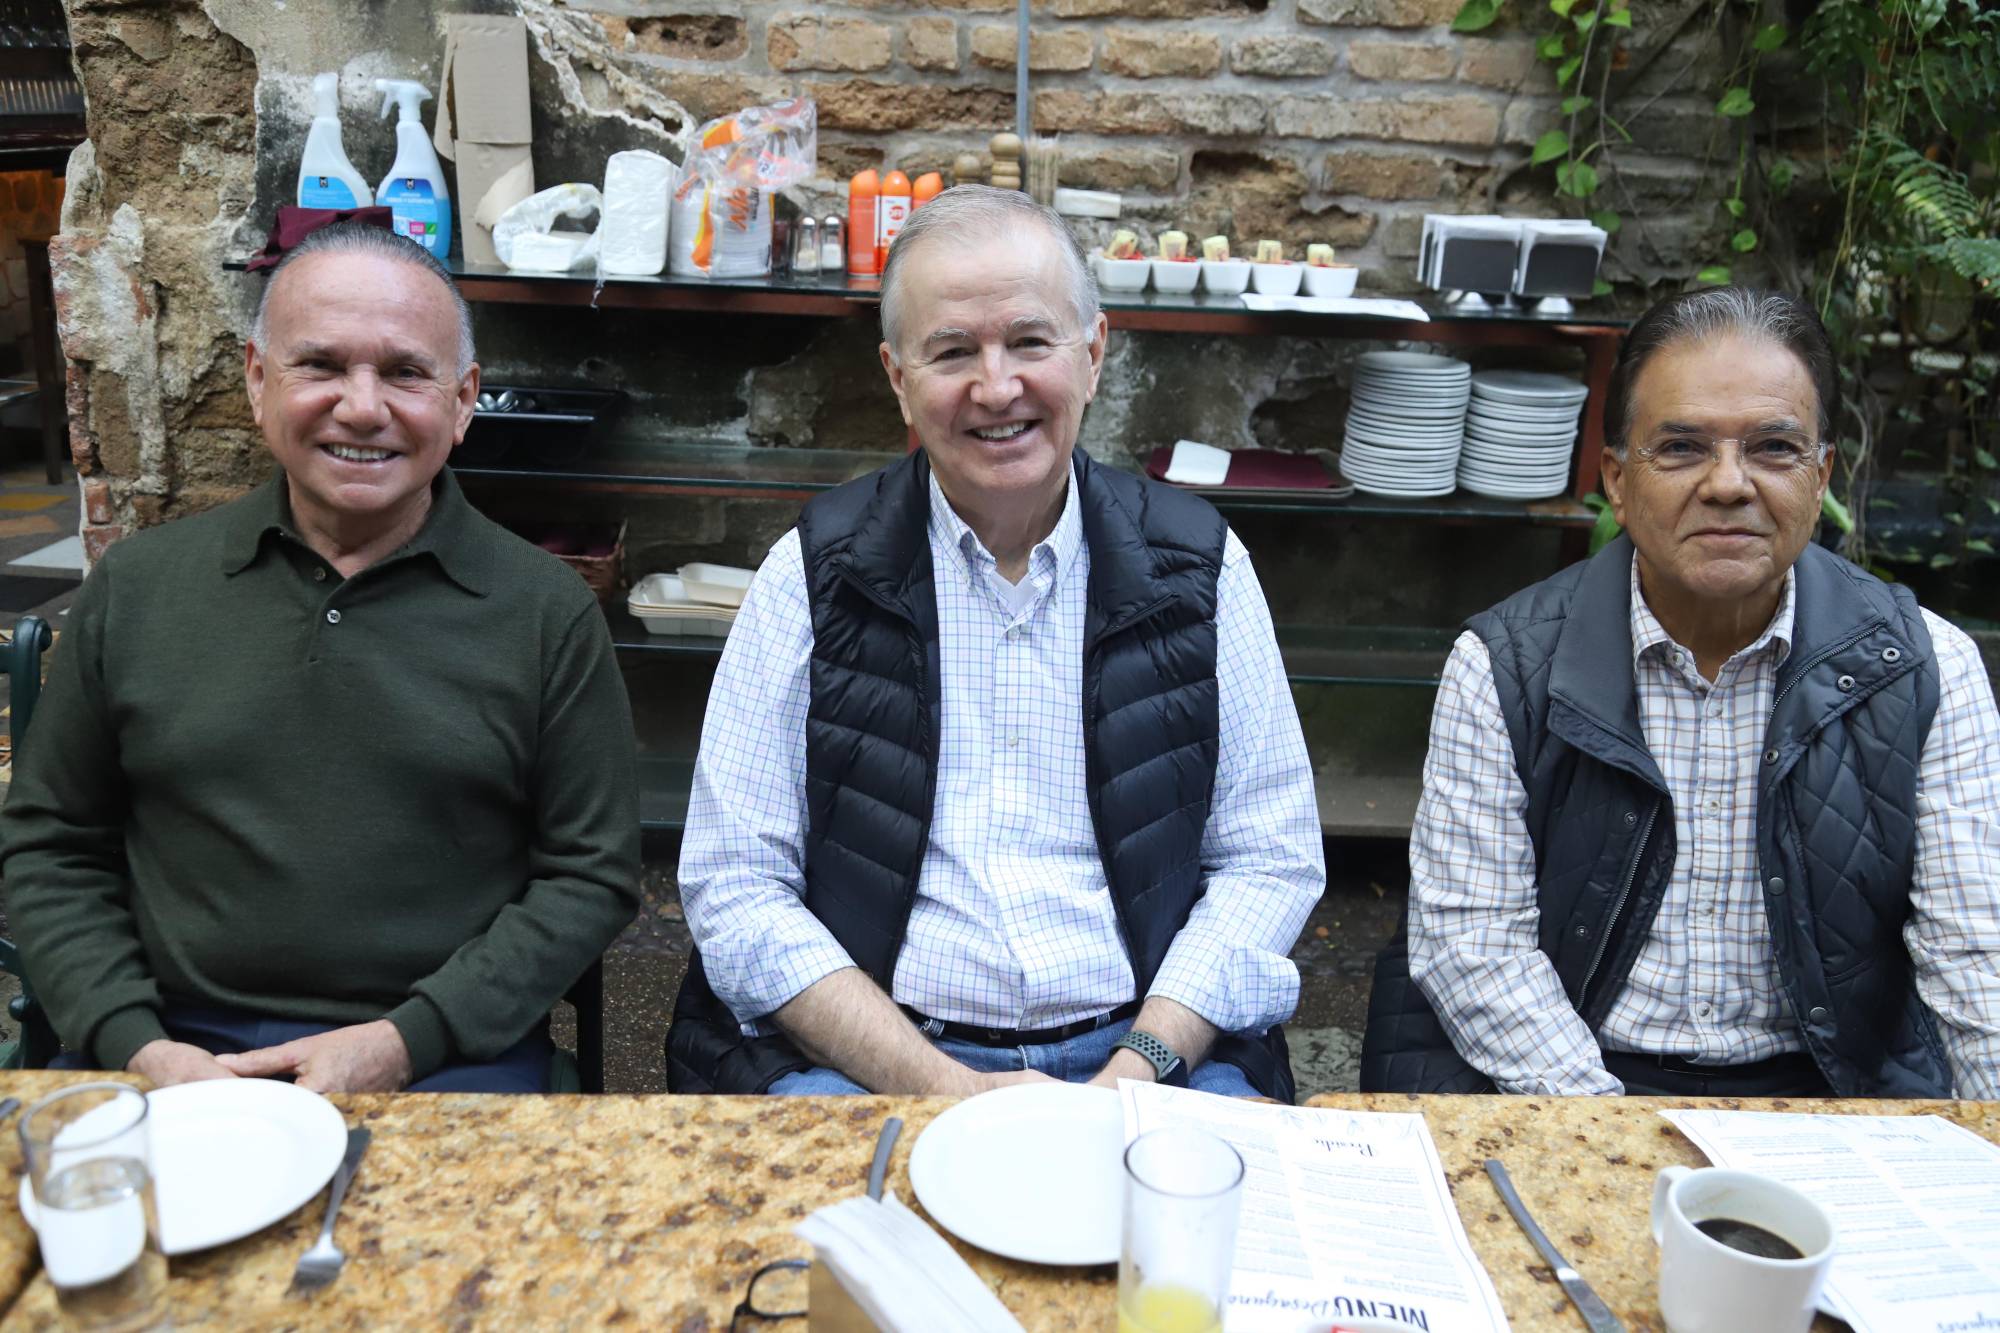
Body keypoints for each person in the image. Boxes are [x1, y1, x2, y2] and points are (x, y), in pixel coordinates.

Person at [667, 186, 1324, 1099]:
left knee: (1219, 1194)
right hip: (876, 1058)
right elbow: (736, 884)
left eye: (1029, 340)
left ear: (1093, 355)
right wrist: (939, 1086)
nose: (997, 386)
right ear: (897, 377)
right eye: (951, 351)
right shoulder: (815, 575)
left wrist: (1140, 1065)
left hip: (1149, 1049)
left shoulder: (1200, 567)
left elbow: (1268, 857)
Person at [0, 223, 639, 1093]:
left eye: (406, 372)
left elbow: (591, 874)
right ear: (258, 381)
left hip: (445, 1057)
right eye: (322, 365)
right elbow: (53, 843)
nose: (364, 407)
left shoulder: (545, 613)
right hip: (167, 1044)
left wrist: (405, 1040)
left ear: (463, 401)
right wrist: (133, 1039)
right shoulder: (142, 587)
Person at [1362, 286, 1999, 1099]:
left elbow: (1976, 953)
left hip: (1831, 1085)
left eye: (1774, 447)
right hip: (1571, 1074)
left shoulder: (1924, 666)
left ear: (1821, 477)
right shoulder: (1504, 665)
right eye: (1682, 448)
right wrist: (1614, 1132)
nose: (1729, 483)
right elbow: (1473, 940)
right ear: (1618, 482)